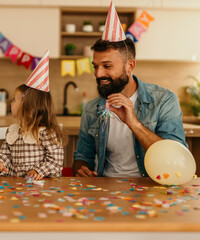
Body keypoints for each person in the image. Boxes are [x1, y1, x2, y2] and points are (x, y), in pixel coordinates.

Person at [73, 2, 187, 178]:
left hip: (150, 189)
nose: (98, 73)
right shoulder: (92, 109)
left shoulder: (164, 101)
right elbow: (82, 157)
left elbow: (176, 157)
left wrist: (134, 123)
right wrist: (81, 168)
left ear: (130, 65)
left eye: (107, 66)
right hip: (106, 191)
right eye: (95, 66)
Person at [0, 51, 67, 180]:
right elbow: (4, 153)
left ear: (27, 106)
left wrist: (38, 171)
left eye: (14, 100)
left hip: (41, 189)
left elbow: (56, 161)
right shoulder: (13, 131)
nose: (11, 103)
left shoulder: (46, 133)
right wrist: (0, 163)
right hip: (15, 188)